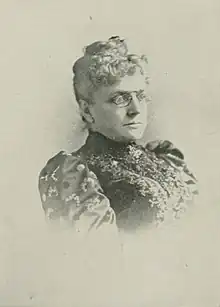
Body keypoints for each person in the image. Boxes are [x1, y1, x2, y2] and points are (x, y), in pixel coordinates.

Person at [38, 36, 198, 235]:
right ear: (87, 111)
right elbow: (95, 258)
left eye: (140, 96)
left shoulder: (165, 157)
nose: (136, 109)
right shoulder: (77, 173)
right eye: (120, 98)